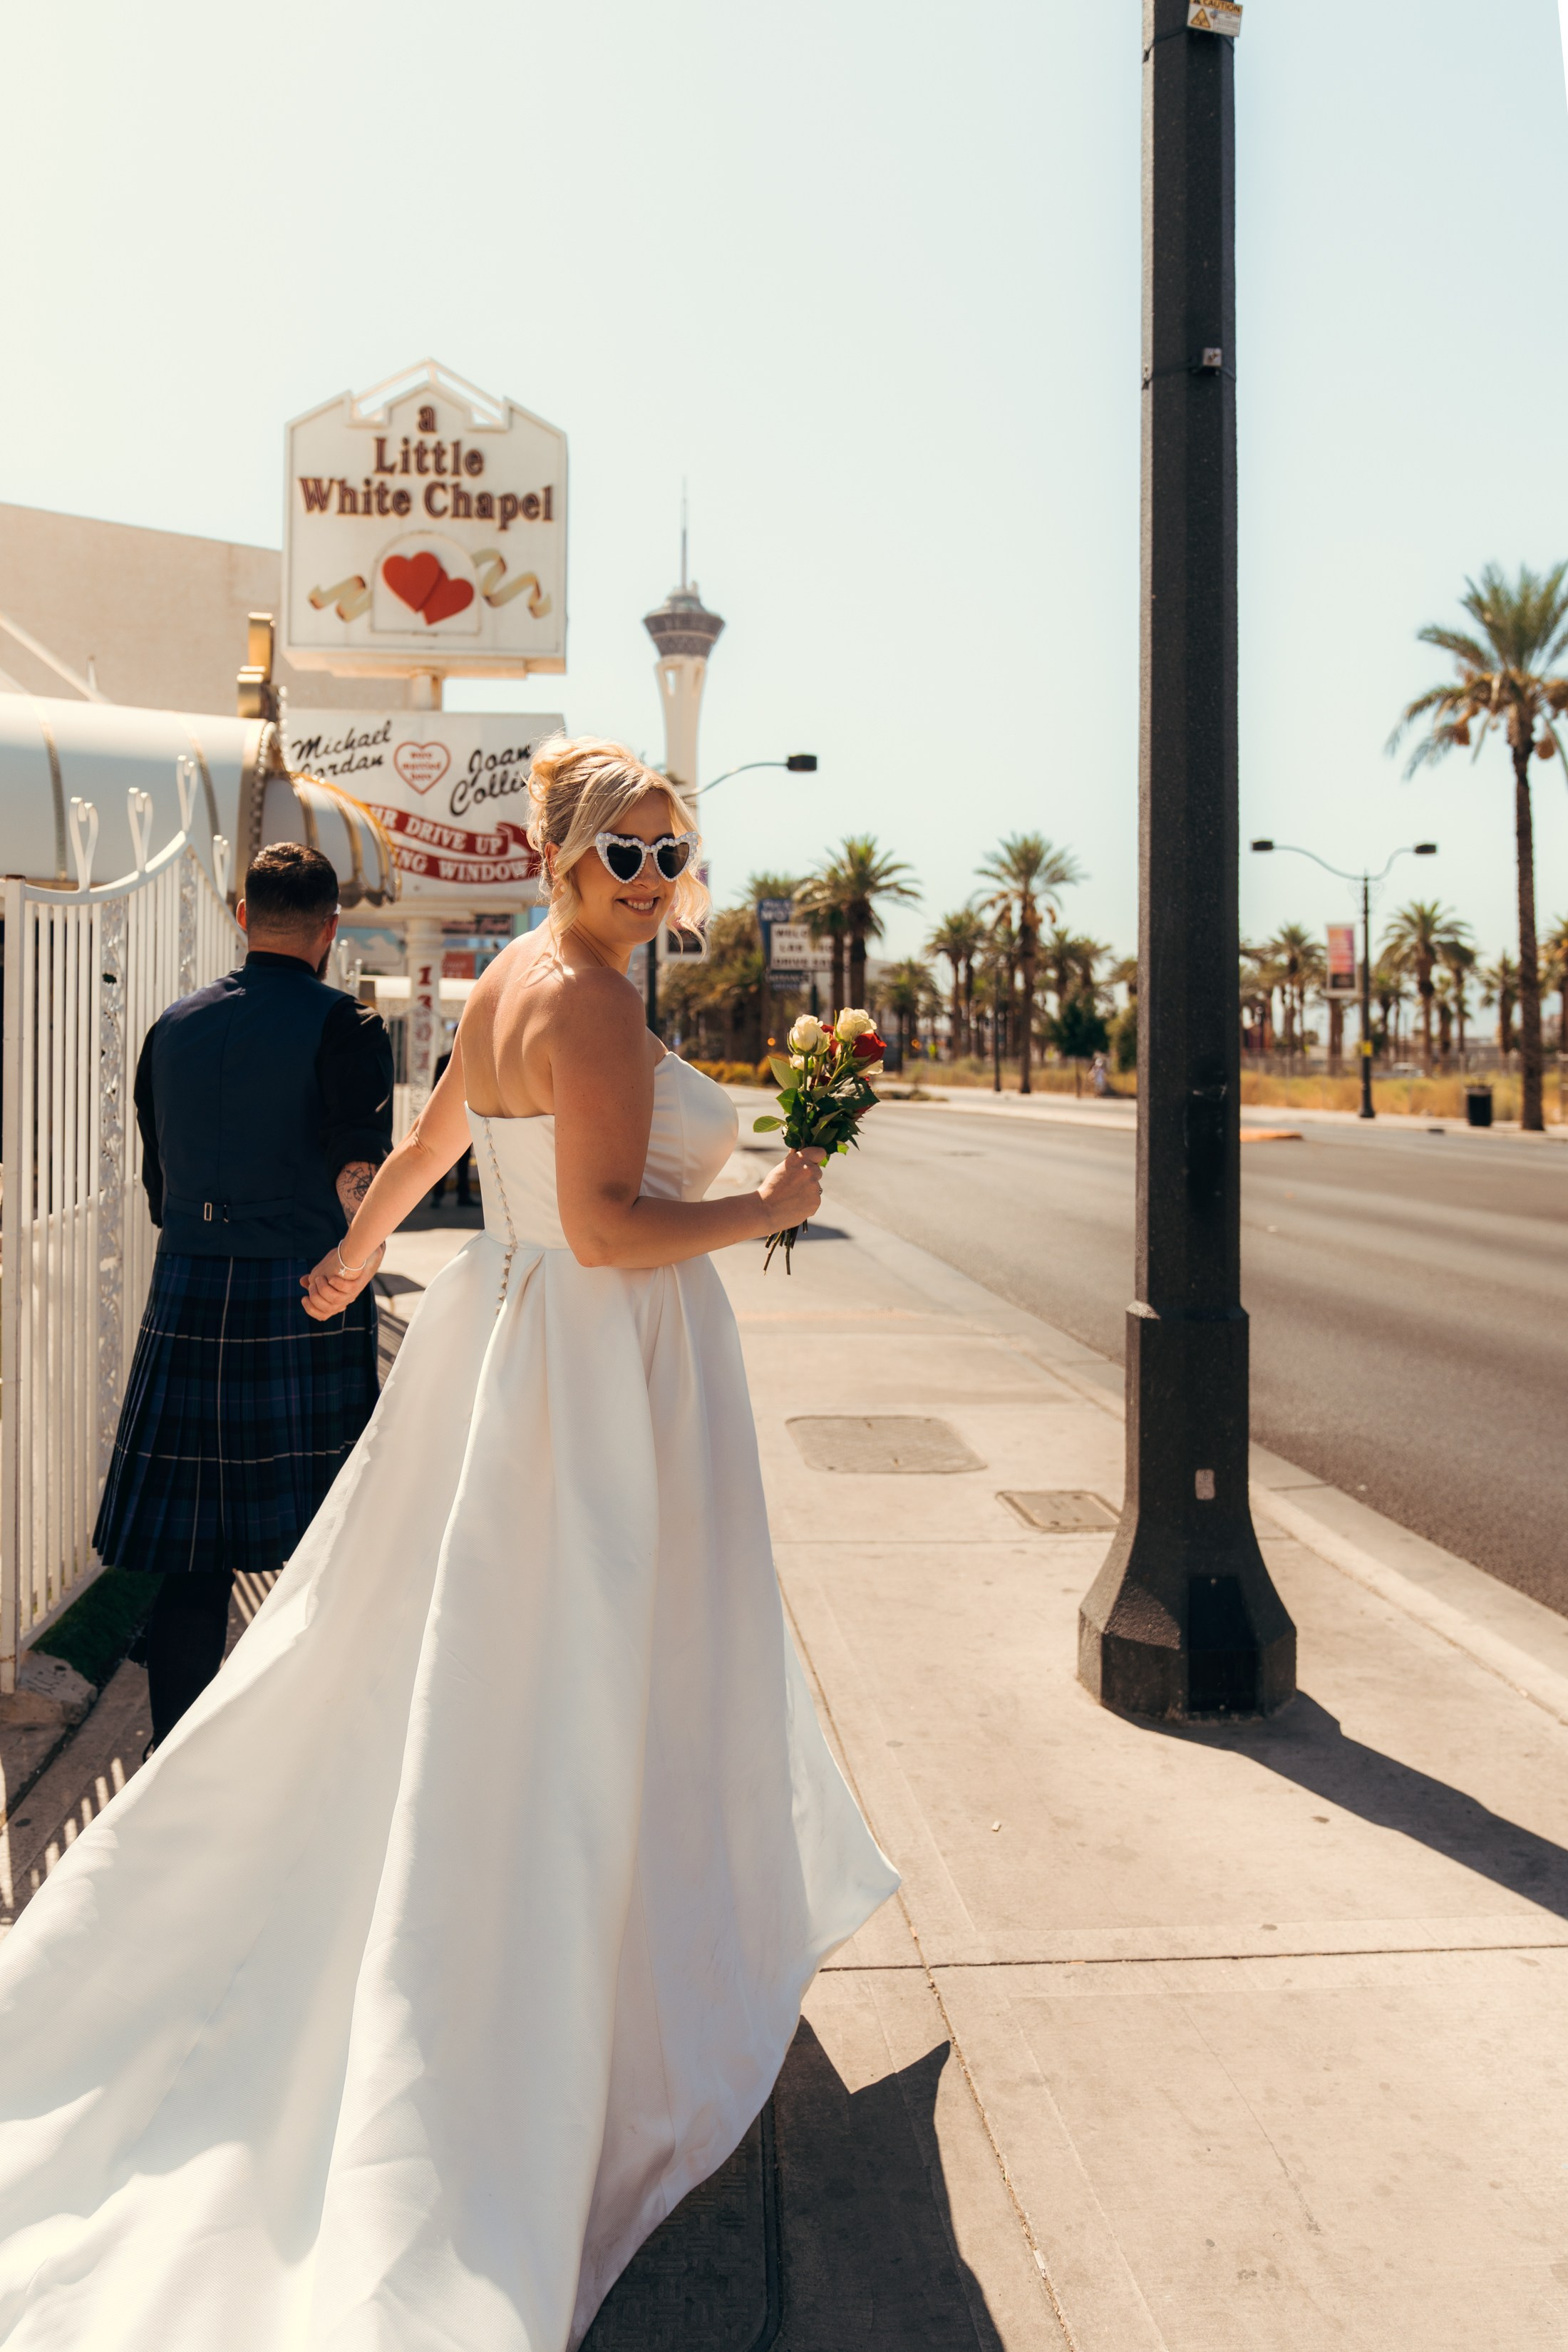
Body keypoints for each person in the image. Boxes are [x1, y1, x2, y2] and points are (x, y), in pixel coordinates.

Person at [0, 736, 897, 2351]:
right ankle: (579, 1981)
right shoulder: (593, 1003)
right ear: (563, 855)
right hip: (599, 1369)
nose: (653, 878)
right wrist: (768, 1210)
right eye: (625, 852)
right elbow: (609, 1228)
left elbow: (427, 1155)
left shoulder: (504, 983)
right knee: (594, 1663)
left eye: (671, 851)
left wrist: (353, 1257)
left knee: (472, 1653)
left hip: (517, 1348)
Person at [96, 841, 393, 1747]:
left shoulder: (171, 1028)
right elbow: (357, 1169)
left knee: (193, 1557)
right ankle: (295, 1755)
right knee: (320, 1545)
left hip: (189, 1289)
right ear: (330, 929)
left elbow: (159, 1188)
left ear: (242, 918)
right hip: (304, 1295)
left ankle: (172, 1758)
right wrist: (358, 1261)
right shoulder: (348, 1025)